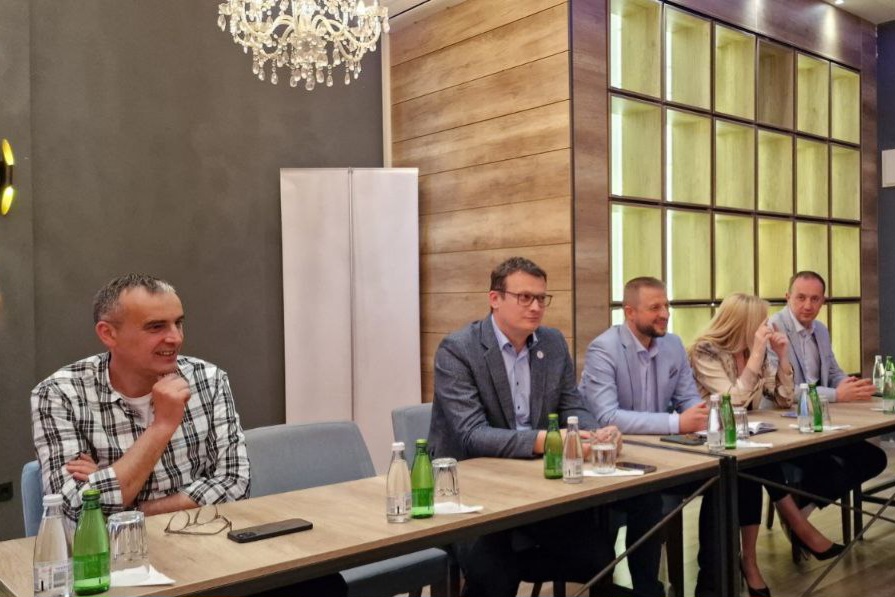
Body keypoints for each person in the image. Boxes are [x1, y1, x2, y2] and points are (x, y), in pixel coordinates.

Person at [31, 274, 345, 596]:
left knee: (323, 583)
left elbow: (235, 483)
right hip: (117, 567)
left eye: (178, 323)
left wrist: (123, 507)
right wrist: (162, 426)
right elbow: (72, 511)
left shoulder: (208, 379)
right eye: (156, 327)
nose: (175, 338)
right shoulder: (59, 394)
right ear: (108, 333)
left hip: (207, 548)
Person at [429, 257, 620, 597]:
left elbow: (572, 405)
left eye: (541, 298)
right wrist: (552, 441)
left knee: (598, 555)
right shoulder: (458, 350)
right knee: (494, 571)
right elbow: (472, 435)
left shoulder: (552, 342)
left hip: (533, 486)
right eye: (525, 297)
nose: (535, 307)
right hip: (469, 489)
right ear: (495, 299)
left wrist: (595, 433)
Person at [689, 293, 844, 597]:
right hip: (710, 440)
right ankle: (793, 527)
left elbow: (784, 398)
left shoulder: (753, 349)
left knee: (753, 465)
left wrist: (782, 357)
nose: (768, 326)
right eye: (761, 322)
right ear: (743, 323)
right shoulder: (705, 350)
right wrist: (758, 353)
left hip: (745, 440)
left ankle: (752, 560)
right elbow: (731, 401)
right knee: (756, 463)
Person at [579, 277, 707, 597]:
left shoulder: (673, 345)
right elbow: (608, 417)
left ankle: (714, 585)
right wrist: (677, 423)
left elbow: (689, 400)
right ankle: (647, 590)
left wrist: (702, 420)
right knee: (650, 499)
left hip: (663, 457)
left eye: (666, 306)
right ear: (630, 312)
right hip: (614, 461)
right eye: (655, 308)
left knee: (725, 479)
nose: (664, 314)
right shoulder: (604, 348)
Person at [769, 271, 886, 549]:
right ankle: (797, 518)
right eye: (800, 298)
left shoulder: (820, 330)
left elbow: (832, 371)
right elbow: (782, 391)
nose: (807, 305)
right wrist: (837, 394)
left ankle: (799, 513)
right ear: (787, 297)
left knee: (874, 458)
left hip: (823, 423)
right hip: (785, 427)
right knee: (831, 467)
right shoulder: (772, 329)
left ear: (823, 301)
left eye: (814, 299)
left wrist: (849, 385)